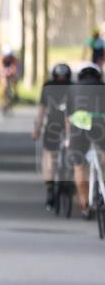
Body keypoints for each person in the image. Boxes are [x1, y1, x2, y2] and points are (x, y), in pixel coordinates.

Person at [66, 62, 105, 219]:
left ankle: (84, 203)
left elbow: (68, 118)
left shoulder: (72, 89)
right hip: (101, 125)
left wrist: (69, 138)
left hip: (79, 127)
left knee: (79, 166)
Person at [33, 63, 72, 207]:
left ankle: (50, 187)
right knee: (74, 155)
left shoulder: (47, 87)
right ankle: (68, 182)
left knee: (49, 156)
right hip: (72, 127)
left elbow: (41, 111)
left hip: (52, 126)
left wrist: (37, 129)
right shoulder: (74, 87)